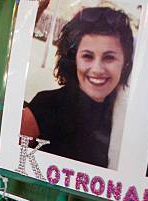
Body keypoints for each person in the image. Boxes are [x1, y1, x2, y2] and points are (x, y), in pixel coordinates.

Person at [20, 7, 134, 169]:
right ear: (74, 60)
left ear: (125, 63)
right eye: (87, 56)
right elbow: (5, 156)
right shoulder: (48, 105)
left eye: (109, 57)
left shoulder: (128, 119)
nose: (97, 69)